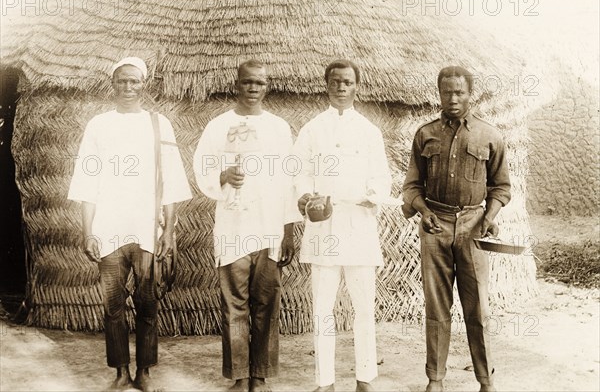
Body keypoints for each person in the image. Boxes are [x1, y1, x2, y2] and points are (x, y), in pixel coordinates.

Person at [68, 57, 192, 392]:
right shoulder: (98, 125)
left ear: (144, 85)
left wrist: (169, 230)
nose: (128, 87)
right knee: (113, 305)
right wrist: (87, 231)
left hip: (146, 230)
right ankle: (121, 371)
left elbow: (172, 179)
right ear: (113, 84)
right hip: (108, 230)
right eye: (122, 81)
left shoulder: (158, 124)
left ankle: (145, 372)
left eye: (134, 81)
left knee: (148, 303)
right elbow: (85, 181)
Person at [402, 66, 512, 392]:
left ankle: (486, 381)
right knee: (437, 308)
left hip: (473, 227)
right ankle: (435, 379)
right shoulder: (425, 134)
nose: (453, 98)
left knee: (477, 307)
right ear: (438, 93)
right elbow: (411, 188)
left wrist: (489, 216)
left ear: (470, 94)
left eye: (459, 92)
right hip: (434, 226)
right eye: (447, 92)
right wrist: (423, 211)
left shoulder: (490, 136)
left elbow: (502, 187)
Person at [193, 59, 299, 392]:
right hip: (233, 228)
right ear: (236, 85)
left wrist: (288, 230)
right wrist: (221, 175)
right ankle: (239, 375)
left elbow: (290, 181)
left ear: (268, 86)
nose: (253, 89)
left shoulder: (280, 128)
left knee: (266, 303)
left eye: (260, 83)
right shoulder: (217, 126)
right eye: (247, 82)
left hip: (269, 229)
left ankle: (260, 375)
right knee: (234, 303)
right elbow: (201, 169)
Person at [294, 59, 392, 392]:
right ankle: (325, 381)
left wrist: (373, 195)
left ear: (356, 87)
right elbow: (300, 171)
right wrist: (306, 195)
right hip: (324, 228)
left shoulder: (369, 131)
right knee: (322, 309)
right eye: (335, 81)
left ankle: (365, 377)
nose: (341, 87)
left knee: (363, 308)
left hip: (359, 229)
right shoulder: (312, 129)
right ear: (326, 85)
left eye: (347, 82)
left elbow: (381, 177)